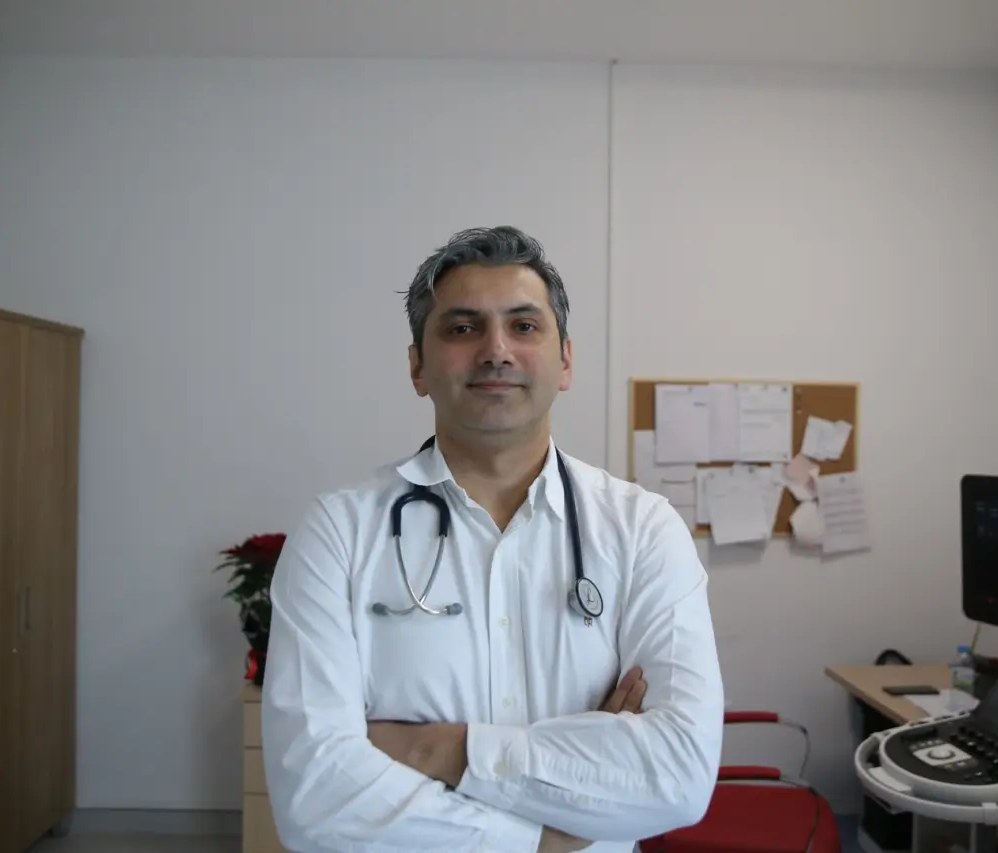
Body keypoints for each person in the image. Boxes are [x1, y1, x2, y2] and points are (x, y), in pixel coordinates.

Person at [262, 226, 724, 853]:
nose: (496, 350)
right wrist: (541, 836)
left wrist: (431, 749)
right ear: (417, 367)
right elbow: (314, 798)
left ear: (565, 361)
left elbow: (678, 778)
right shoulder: (339, 532)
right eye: (462, 328)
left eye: (524, 326)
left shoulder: (642, 530)